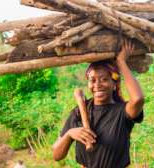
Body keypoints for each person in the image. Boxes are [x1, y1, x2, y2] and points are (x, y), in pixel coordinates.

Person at [52, 40, 145, 168]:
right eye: (93, 80)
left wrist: (121, 62)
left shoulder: (122, 112)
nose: (97, 85)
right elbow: (57, 155)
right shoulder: (79, 111)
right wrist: (70, 134)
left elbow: (138, 99)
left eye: (104, 79)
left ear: (114, 84)